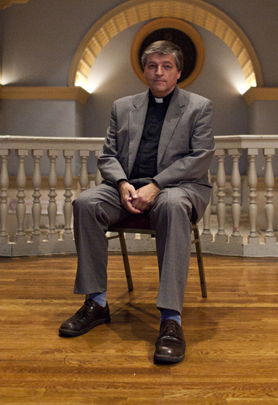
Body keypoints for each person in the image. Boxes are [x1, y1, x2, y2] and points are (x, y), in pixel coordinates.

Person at [58, 40, 215, 365]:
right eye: (153, 66)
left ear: (178, 72)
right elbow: (107, 155)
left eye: (166, 66)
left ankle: (171, 319)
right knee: (85, 203)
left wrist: (157, 185)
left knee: (171, 206)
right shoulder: (122, 107)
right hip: (127, 188)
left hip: (178, 189)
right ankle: (96, 303)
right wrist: (123, 183)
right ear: (144, 70)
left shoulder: (199, 107)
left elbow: (200, 159)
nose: (159, 72)